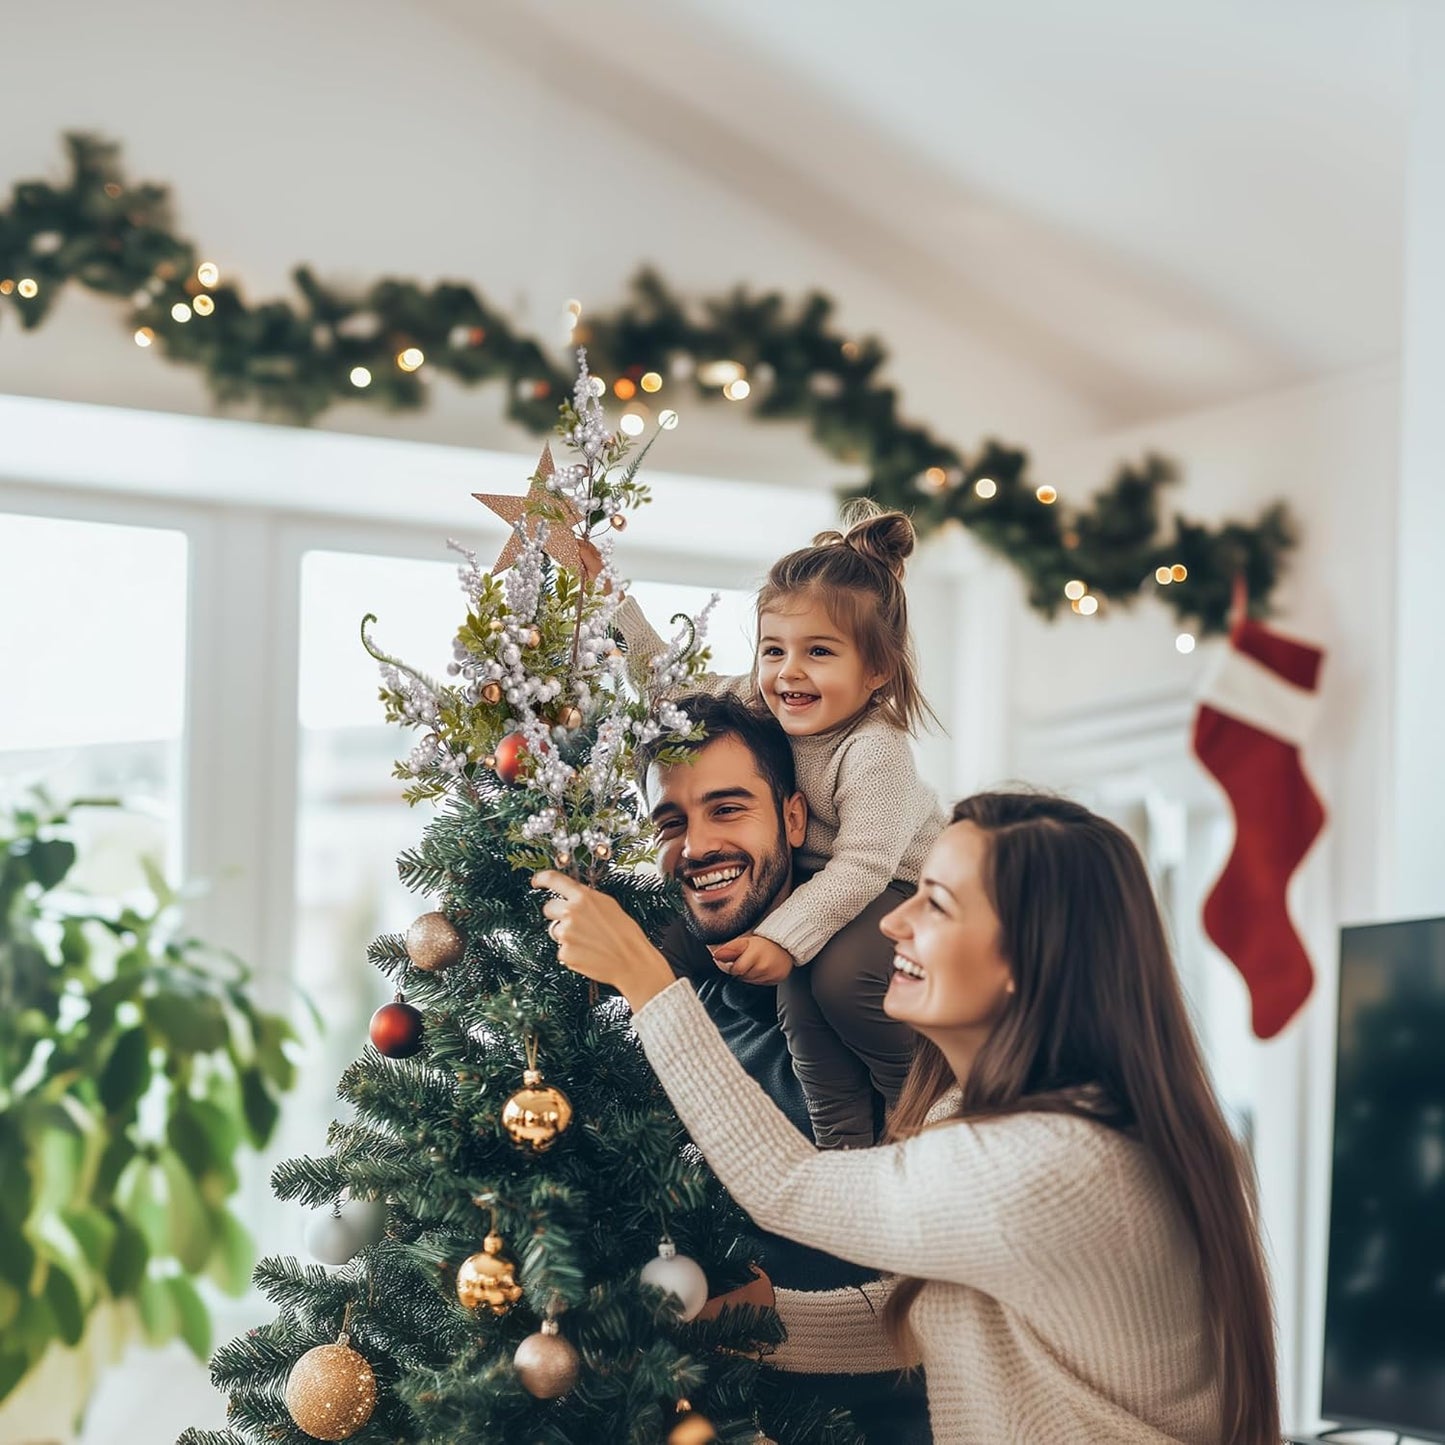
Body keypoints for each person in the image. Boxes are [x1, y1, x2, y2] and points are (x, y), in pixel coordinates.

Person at [534, 792, 1282, 1444]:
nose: (895, 921)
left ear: (1030, 958)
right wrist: (760, 1318)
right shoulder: (1007, 1121)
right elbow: (944, 1312)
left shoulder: (1052, 1161)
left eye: (937, 903)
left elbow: (786, 1182)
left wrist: (644, 978)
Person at [638, 692, 932, 1442]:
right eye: (670, 822)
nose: (696, 845)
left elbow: (950, 1290)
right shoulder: (665, 997)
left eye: (727, 808)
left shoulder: (892, 1002)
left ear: (795, 820)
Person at [616, 502, 946, 1148]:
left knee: (840, 977)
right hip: (830, 888)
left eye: (818, 652)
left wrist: (782, 937)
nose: (788, 671)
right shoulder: (764, 697)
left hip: (899, 890)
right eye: (773, 649)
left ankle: (919, 1120)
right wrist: (612, 603)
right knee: (798, 994)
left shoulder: (874, 748)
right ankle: (840, 1147)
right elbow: (673, 689)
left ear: (876, 670)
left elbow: (861, 867)